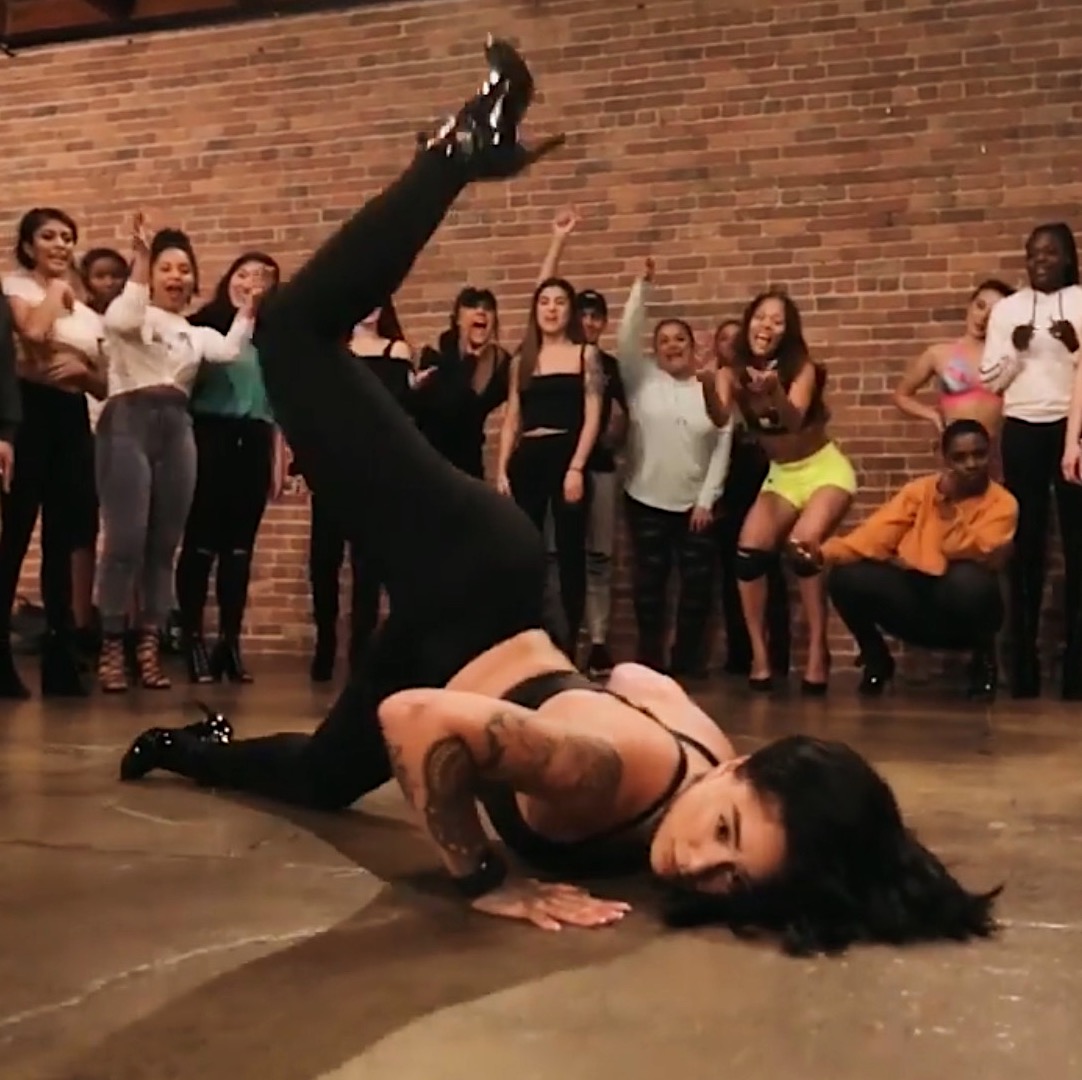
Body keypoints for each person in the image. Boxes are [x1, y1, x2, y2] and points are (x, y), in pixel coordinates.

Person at [117, 39, 997, 955]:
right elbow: (416, 723)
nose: (699, 865)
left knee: (325, 775)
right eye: (727, 833)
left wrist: (569, 698)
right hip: (467, 582)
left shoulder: (703, 752)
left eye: (736, 878)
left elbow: (637, 678)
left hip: (475, 616)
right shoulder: (607, 771)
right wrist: (486, 876)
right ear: (738, 771)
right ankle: (458, 151)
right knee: (295, 331)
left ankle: (189, 747)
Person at [790, 420, 1016, 699]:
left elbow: (962, 550)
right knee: (847, 576)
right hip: (918, 599)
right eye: (959, 457)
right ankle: (876, 659)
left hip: (964, 612)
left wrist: (946, 506)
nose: (971, 464)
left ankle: (983, 663)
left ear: (990, 455)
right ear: (944, 459)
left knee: (968, 580)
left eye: (978, 455)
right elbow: (873, 537)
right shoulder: (919, 492)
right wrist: (821, 553)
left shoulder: (1003, 504)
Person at [700, 290, 857, 694]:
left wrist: (772, 390)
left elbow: (792, 419)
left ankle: (818, 651)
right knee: (748, 555)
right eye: (760, 317)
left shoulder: (800, 367)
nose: (765, 326)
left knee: (802, 548)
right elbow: (720, 417)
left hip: (823, 469)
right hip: (783, 475)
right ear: (748, 321)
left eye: (777, 321)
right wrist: (705, 383)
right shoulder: (731, 370)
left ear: (787, 332)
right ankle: (760, 656)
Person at [979, 223, 1082, 699]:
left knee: (1077, 548)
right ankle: (1023, 666)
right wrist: (1016, 353)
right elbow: (991, 381)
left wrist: (1075, 346)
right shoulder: (1008, 309)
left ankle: (1076, 668)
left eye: (1050, 252)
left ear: (1067, 258)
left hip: (1073, 427)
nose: (1040, 259)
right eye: (1033, 252)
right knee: (1027, 547)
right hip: (1022, 427)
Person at [616, 258, 732, 676]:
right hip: (644, 499)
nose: (671, 345)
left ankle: (685, 665)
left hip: (694, 508)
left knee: (697, 590)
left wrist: (707, 500)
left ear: (693, 345)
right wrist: (641, 287)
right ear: (655, 348)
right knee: (649, 589)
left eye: (679, 338)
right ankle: (650, 663)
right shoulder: (641, 377)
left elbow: (723, 442)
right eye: (663, 339)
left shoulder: (710, 386)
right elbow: (626, 336)